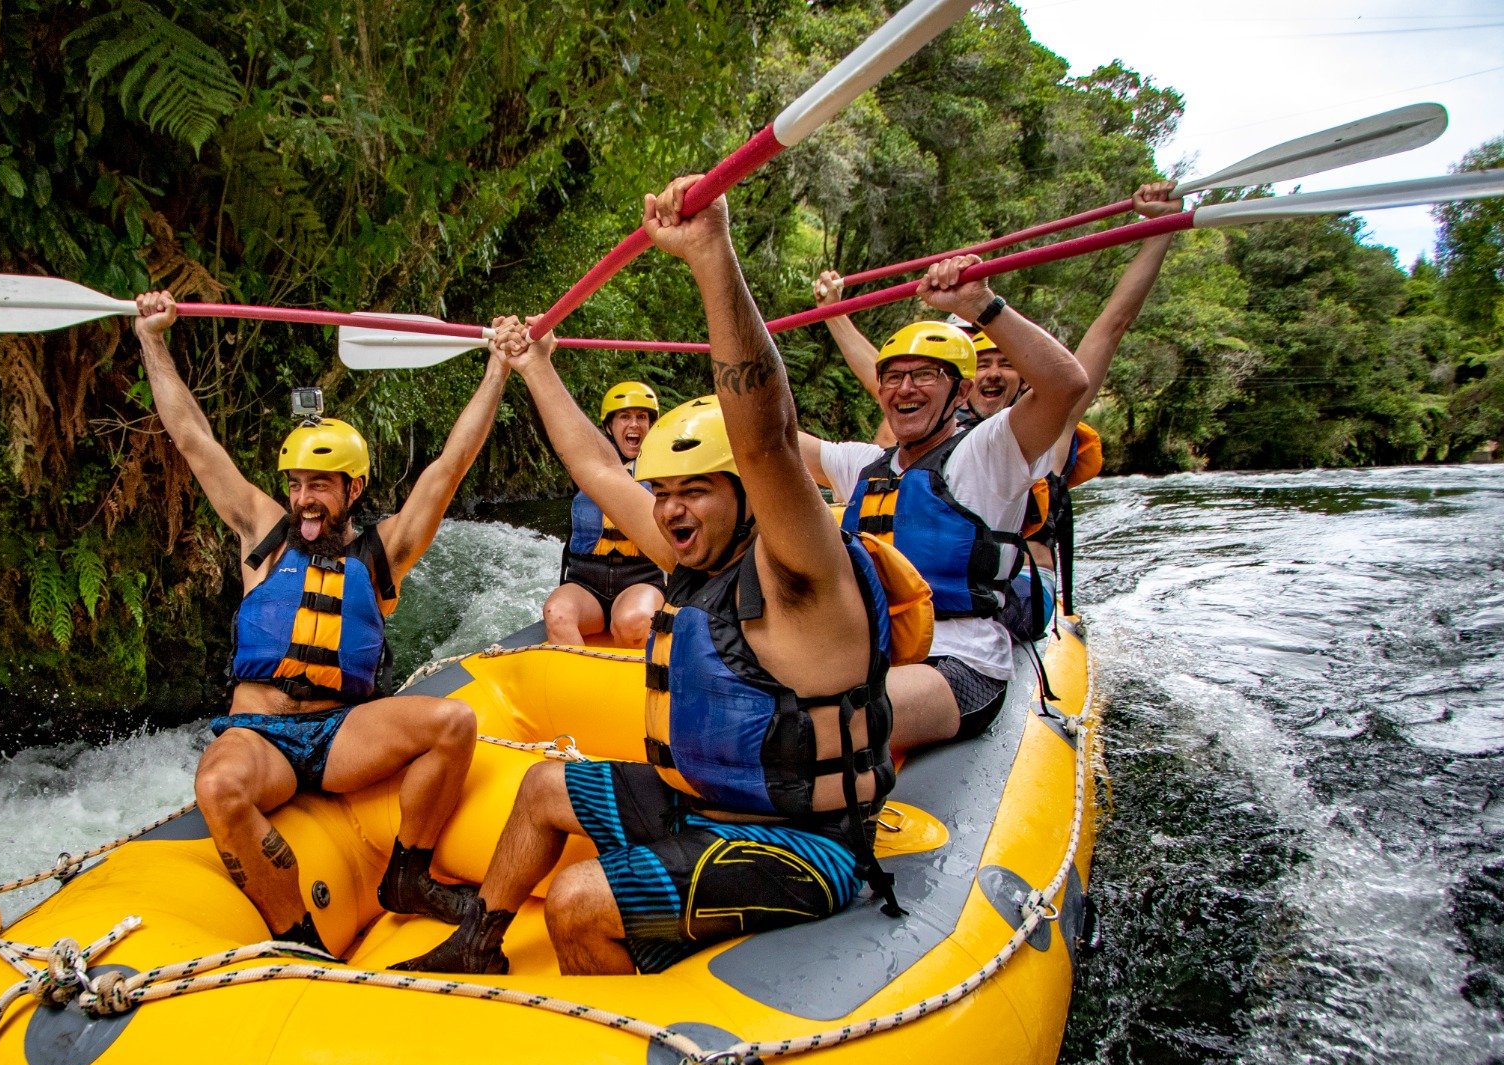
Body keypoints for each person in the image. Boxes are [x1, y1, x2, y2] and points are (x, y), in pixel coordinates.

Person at [398, 174, 903, 977]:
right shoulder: (689, 555)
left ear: (745, 493)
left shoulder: (802, 571)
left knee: (578, 899)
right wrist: (534, 368)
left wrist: (711, 254)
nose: (669, 510)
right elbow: (598, 467)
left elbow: (767, 431)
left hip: (800, 839)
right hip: (698, 802)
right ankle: (475, 944)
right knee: (541, 790)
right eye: (662, 493)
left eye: (693, 490)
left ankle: (622, 1036)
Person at [133, 292, 510, 953]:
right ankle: (297, 936)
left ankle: (408, 872)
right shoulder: (263, 533)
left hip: (341, 734)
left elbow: (449, 466)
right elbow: (192, 439)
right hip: (261, 735)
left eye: (322, 484)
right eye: (298, 482)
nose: (305, 498)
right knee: (219, 785)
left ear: (352, 489)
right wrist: (152, 341)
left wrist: (499, 368)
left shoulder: (383, 553)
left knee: (454, 722)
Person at [811, 183, 1182, 603]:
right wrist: (834, 313)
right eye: (982, 363)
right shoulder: (941, 430)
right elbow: (887, 377)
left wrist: (1159, 232)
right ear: (963, 385)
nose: (993, 373)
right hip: (930, 583)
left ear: (1025, 375)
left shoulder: (1050, 425)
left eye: (1005, 362)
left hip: (1019, 585)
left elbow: (1110, 327)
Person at [804, 256, 1089, 752]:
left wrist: (981, 304)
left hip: (959, 662)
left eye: (924, 375)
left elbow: (1067, 385)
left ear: (960, 392)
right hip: (876, 650)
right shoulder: (865, 465)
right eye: (892, 377)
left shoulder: (988, 453)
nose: (905, 388)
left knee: (816, 725)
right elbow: (764, 441)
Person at [543, 382, 667, 647]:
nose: (634, 424)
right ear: (609, 427)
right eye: (625, 416)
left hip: (641, 578)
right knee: (558, 615)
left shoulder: (666, 472)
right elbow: (550, 427)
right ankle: (576, 685)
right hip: (585, 581)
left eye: (641, 417)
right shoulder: (585, 468)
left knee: (635, 620)